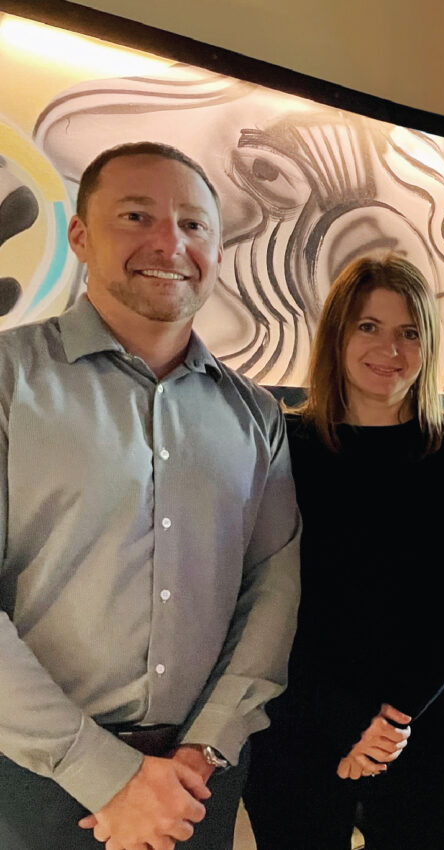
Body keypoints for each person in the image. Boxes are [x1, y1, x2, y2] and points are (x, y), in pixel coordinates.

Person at [0, 141, 301, 850]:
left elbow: (273, 590)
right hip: (33, 777)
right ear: (80, 235)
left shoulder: (254, 415)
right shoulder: (11, 383)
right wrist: (104, 774)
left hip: (197, 782)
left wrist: (205, 750)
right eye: (136, 215)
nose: (169, 242)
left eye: (195, 225)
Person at [242, 253, 444, 849]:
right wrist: (348, 716)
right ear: (337, 334)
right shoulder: (288, 443)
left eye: (410, 332)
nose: (391, 349)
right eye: (369, 327)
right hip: (300, 712)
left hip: (425, 710)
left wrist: (395, 714)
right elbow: (268, 590)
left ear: (428, 346)